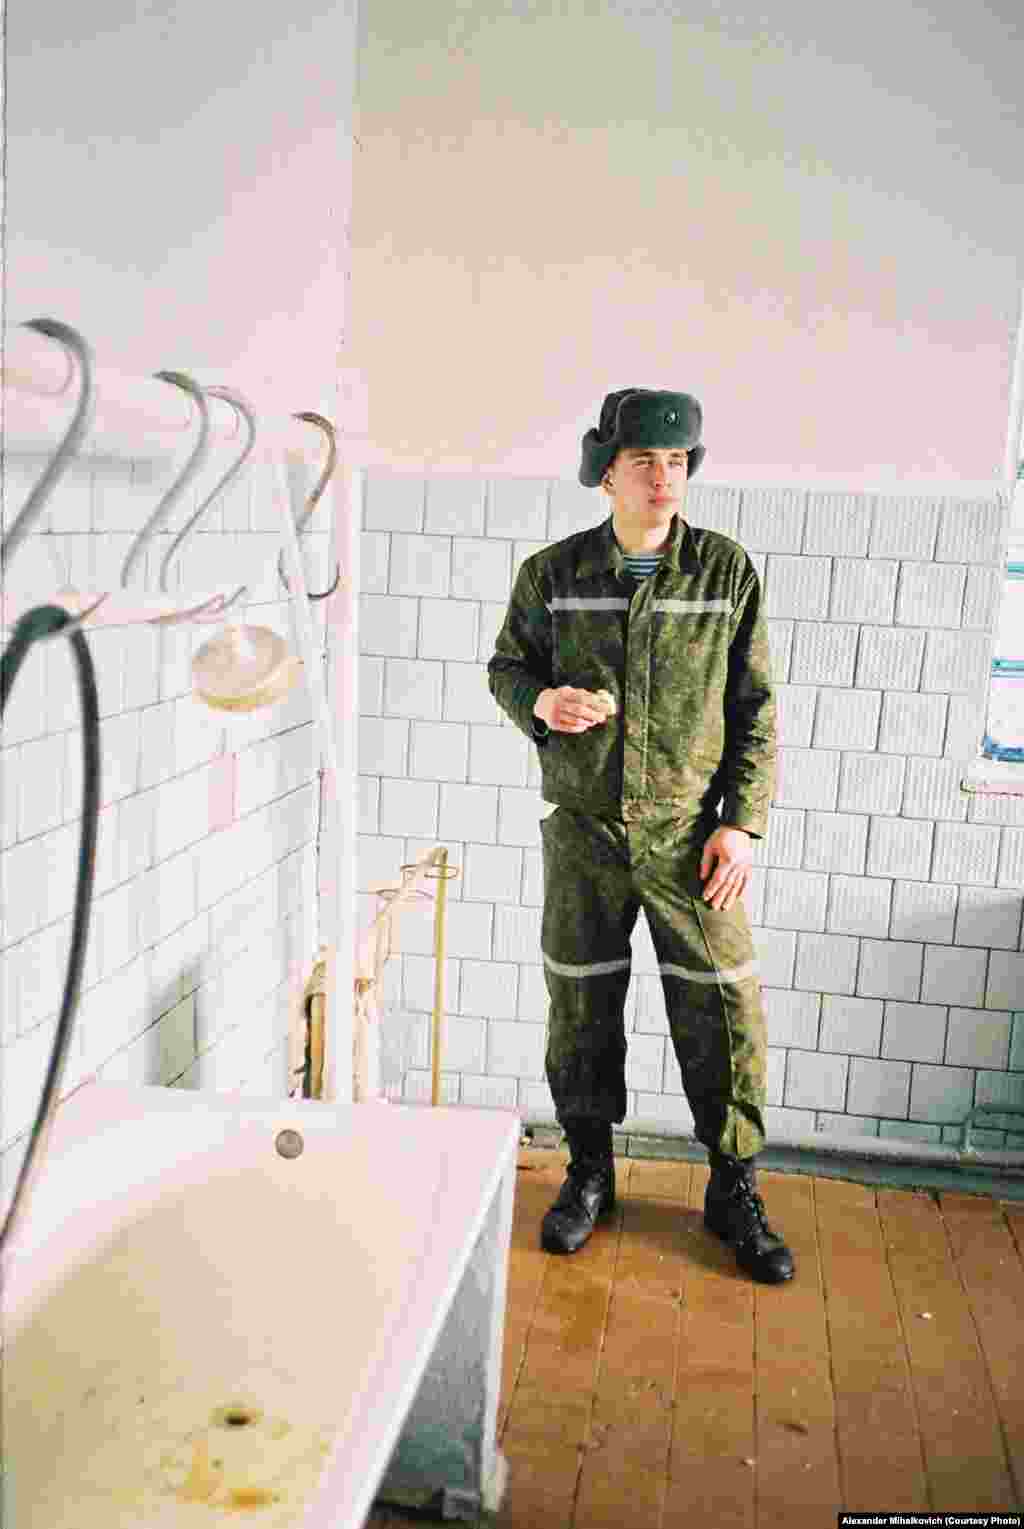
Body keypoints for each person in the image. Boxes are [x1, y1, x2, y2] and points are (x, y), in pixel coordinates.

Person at [487, 388, 794, 1284]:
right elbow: (508, 667)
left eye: (679, 463)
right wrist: (540, 702)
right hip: (584, 833)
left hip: (691, 839)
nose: (666, 479)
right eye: (646, 463)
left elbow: (757, 709)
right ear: (607, 472)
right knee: (580, 1002)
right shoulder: (555, 573)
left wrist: (741, 824)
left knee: (724, 1005)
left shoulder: (725, 572)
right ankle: (590, 1171)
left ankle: (733, 1184)